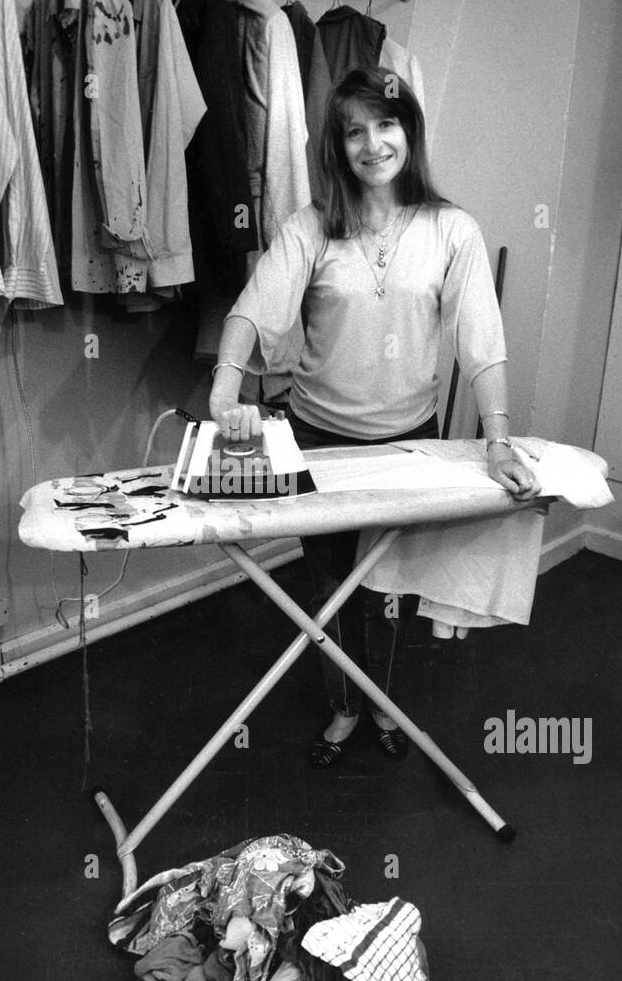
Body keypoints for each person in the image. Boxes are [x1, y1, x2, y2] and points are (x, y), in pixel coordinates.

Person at [209, 66, 539, 768]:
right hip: (318, 442)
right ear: (337, 145)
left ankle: (383, 702)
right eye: (353, 130)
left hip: (406, 446)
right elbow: (254, 306)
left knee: (384, 592)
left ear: (409, 132)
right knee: (329, 591)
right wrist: (224, 390)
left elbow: (481, 337)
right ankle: (345, 706)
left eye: (385, 124)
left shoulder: (453, 230)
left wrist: (499, 439)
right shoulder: (311, 230)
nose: (371, 143)